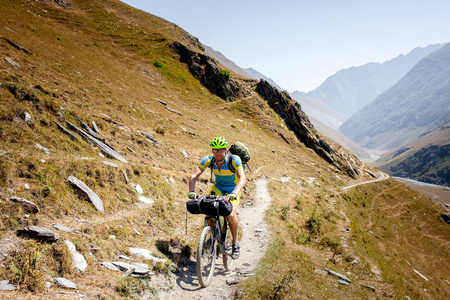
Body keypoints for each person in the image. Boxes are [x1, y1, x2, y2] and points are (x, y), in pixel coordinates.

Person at [188, 137, 246, 259]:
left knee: (230, 215)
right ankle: (212, 235)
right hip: (218, 187)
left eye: (220, 150)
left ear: (225, 150)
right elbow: (193, 176)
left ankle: (235, 243)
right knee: (208, 210)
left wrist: (235, 193)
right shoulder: (209, 160)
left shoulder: (234, 159)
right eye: (215, 150)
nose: (217, 153)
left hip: (233, 189)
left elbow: (242, 178)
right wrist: (192, 192)